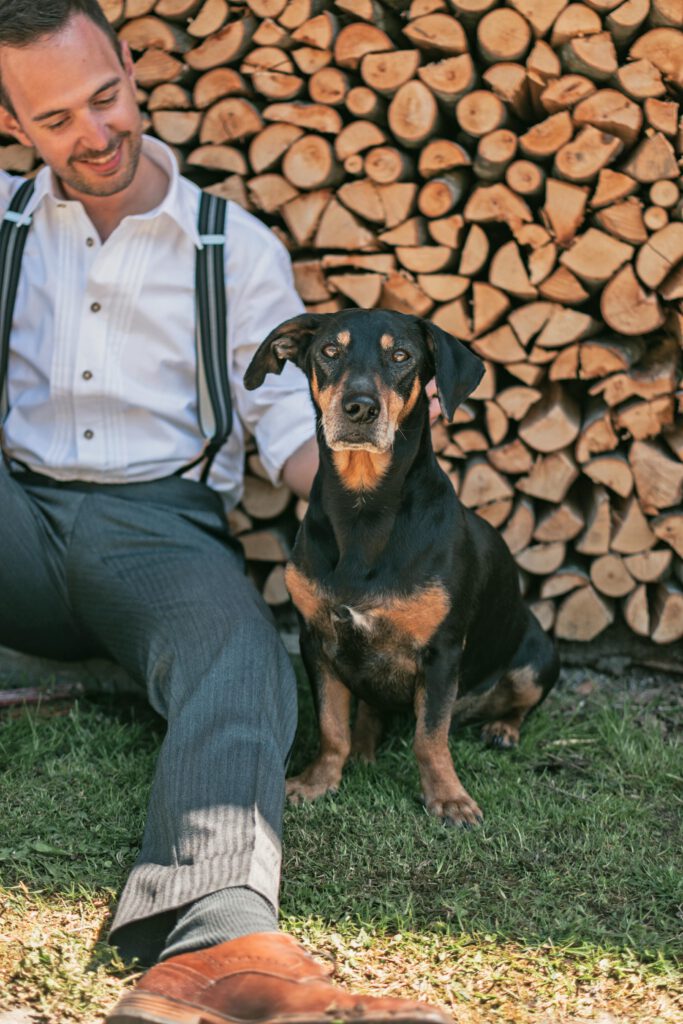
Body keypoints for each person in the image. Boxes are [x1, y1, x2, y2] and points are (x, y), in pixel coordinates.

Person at [0, 3, 451, 1023]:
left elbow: (288, 435)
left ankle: (217, 941)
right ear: (14, 124)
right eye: (56, 119)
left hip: (158, 532)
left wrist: (387, 473)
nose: (95, 134)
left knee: (243, 656)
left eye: (105, 97)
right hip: (13, 511)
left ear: (131, 67)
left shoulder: (231, 247)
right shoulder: (6, 219)